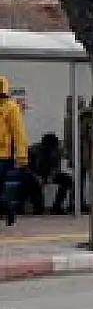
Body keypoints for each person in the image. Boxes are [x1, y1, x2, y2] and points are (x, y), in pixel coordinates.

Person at [0, 76, 29, 225]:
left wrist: (22, 156)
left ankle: (9, 209)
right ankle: (9, 210)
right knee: (6, 187)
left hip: (5, 155)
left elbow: (18, 133)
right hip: (5, 155)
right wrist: (22, 156)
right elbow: (19, 133)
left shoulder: (11, 108)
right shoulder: (12, 107)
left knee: (6, 187)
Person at [21, 133, 73, 215]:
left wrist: (51, 176)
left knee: (67, 180)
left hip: (48, 174)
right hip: (35, 174)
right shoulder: (33, 151)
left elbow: (56, 166)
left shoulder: (56, 151)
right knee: (30, 181)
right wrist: (37, 177)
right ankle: (37, 207)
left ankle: (57, 206)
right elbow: (26, 167)